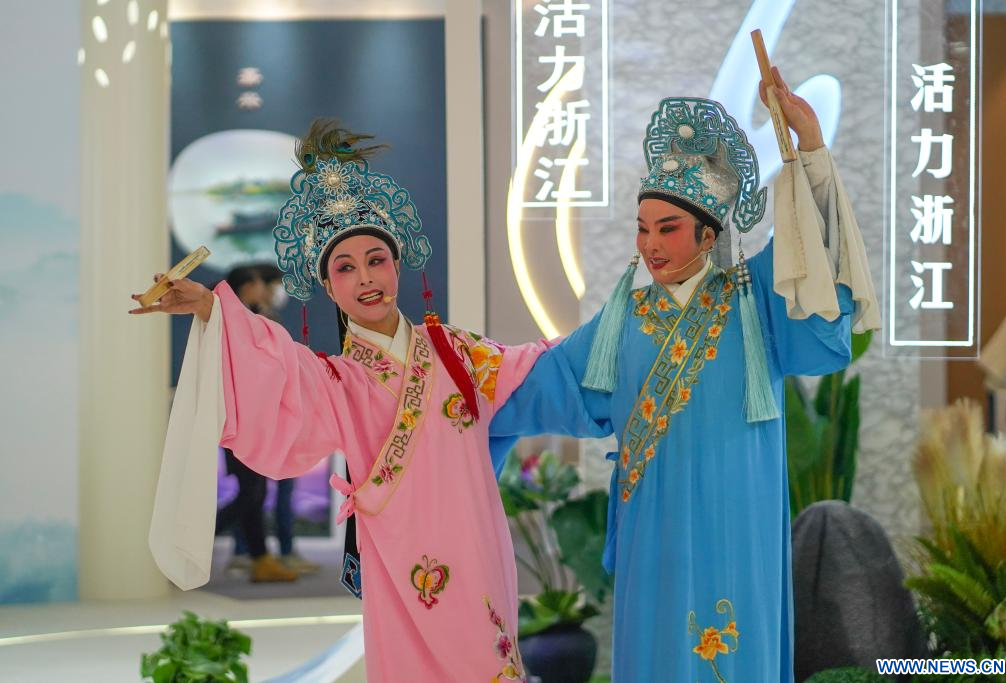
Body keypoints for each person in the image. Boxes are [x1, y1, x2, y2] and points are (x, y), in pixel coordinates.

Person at [136, 120, 561, 682]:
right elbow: (273, 360)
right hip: (398, 559)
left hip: (473, 543)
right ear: (328, 287)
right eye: (345, 268)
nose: (365, 278)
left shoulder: (459, 352)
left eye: (376, 260)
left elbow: (543, 367)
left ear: (398, 265)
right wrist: (211, 308)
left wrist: (617, 334)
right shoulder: (335, 380)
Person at [491, 70, 881, 681]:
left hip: (738, 526)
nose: (651, 245)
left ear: (709, 232)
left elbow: (811, 253)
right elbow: (543, 381)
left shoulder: (757, 300)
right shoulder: (622, 320)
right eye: (643, 228)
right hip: (655, 538)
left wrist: (808, 147)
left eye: (667, 228)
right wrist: (458, 372)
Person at [214, 265, 298, 582]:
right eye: (261, 284)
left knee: (255, 493)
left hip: (256, 418)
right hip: (242, 419)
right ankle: (196, 540)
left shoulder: (251, 318)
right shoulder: (237, 323)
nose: (266, 290)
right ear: (247, 287)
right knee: (251, 493)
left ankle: (261, 559)